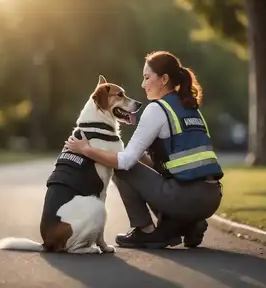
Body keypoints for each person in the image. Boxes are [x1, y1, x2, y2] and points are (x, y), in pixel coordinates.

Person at [64, 50, 224, 249]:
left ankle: (145, 231)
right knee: (136, 167)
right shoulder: (190, 108)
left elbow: (125, 162)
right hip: (212, 196)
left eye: (147, 78)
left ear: (164, 79)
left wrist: (86, 150)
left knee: (119, 167)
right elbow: (166, 163)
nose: (143, 84)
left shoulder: (158, 109)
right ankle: (187, 224)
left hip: (185, 197)